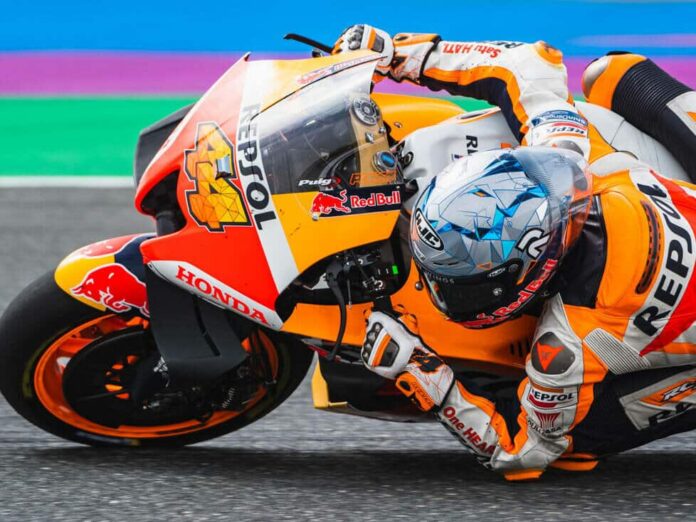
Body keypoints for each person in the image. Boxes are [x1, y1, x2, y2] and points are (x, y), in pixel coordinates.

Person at [333, 25, 696, 480]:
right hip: (659, 216)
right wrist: (399, 54)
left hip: (658, 305)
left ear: (528, 280)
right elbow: (527, 62)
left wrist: (417, 369)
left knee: (573, 445)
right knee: (615, 73)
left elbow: (521, 453)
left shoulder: (567, 346)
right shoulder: (571, 153)